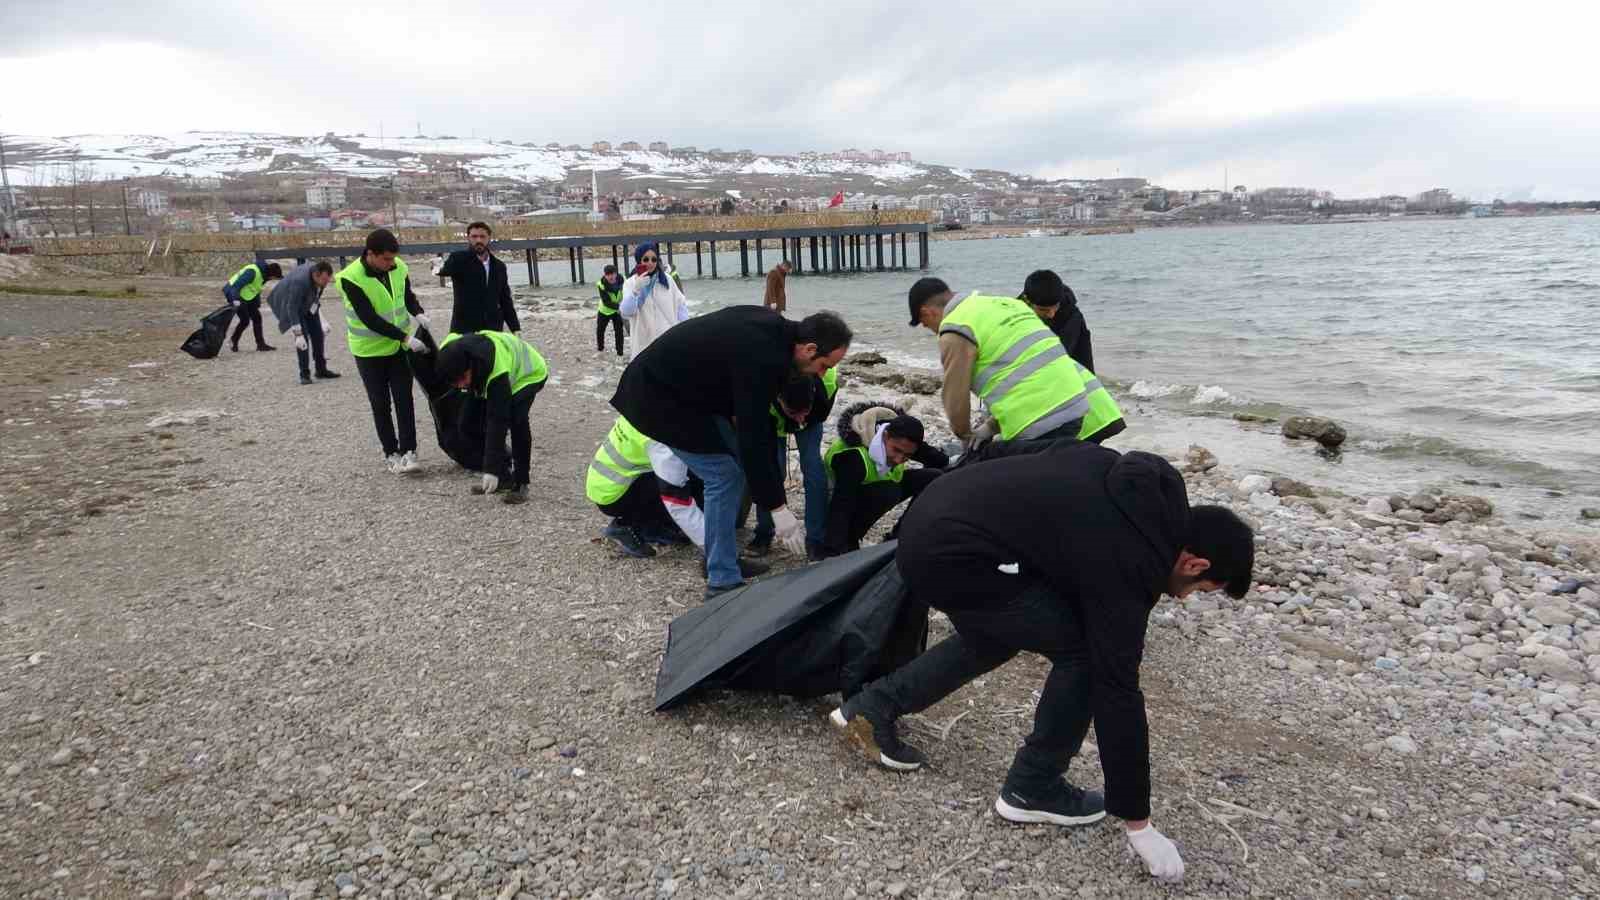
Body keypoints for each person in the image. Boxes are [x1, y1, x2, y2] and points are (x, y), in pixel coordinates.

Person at [829, 440, 1255, 883]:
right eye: (1199, 589)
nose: (1185, 598)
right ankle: (1034, 787)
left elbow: (1032, 451)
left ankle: (871, 708)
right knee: (1087, 656)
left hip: (936, 514)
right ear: (1193, 562)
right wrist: (1138, 822)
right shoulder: (1131, 558)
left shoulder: (1136, 485)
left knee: (1001, 628)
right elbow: (1118, 689)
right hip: (952, 552)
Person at [611, 307, 852, 600]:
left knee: (736, 466)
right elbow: (754, 435)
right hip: (657, 397)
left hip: (693, 394)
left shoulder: (778, 337)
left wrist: (773, 498)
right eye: (825, 365)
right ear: (809, 349)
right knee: (724, 476)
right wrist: (778, 509)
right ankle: (721, 579)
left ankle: (721, 559)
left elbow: (751, 428)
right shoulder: (764, 356)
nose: (823, 374)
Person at [907, 277, 1122, 449]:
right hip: (1077, 407)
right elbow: (1023, 377)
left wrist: (966, 436)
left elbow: (955, 394)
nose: (931, 330)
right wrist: (990, 428)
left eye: (926, 324)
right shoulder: (1005, 303)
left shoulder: (955, 327)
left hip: (1038, 420)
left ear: (928, 312)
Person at [336, 228, 431, 474]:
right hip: (369, 352)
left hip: (398, 349)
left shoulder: (398, 266)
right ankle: (391, 452)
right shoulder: (350, 278)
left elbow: (406, 296)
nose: (391, 264)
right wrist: (406, 338)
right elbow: (369, 318)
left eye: (393, 258)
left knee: (404, 400)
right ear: (371, 254)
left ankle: (410, 451)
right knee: (380, 404)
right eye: (386, 259)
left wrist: (418, 312)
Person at [435, 330, 549, 505]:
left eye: (462, 379)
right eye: (455, 382)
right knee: (467, 424)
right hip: (489, 373)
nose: (461, 385)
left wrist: (490, 469)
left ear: (470, 366)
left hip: (528, 374)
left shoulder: (496, 374)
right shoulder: (450, 351)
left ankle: (521, 482)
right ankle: (504, 476)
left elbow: (497, 421)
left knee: (517, 422)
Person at [819, 403, 948, 557]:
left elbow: (936, 459)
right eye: (897, 451)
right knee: (890, 491)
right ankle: (850, 539)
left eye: (907, 455)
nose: (899, 459)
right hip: (838, 501)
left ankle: (897, 538)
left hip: (873, 491)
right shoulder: (853, 457)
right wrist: (832, 553)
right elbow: (841, 506)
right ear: (885, 436)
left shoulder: (900, 441)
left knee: (934, 478)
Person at [585, 414, 709, 558]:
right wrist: (715, 548)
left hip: (603, 484)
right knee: (686, 480)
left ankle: (651, 527)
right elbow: (677, 500)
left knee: (680, 473)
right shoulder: (660, 438)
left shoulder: (641, 407)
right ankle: (625, 525)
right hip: (614, 494)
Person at [746, 369, 838, 559]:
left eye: (804, 411)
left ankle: (816, 540)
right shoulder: (762, 388)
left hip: (813, 416)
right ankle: (764, 532)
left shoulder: (826, 380)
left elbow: (817, 414)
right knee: (772, 470)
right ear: (779, 397)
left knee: (812, 467)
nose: (800, 419)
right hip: (771, 418)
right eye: (794, 412)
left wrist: (801, 415)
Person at [437, 221, 520, 334]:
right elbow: (441, 271)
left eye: (482, 236)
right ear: (468, 238)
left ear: (489, 238)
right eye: (474, 236)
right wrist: (435, 266)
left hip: (493, 329)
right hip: (464, 329)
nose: (478, 240)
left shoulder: (499, 266)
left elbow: (505, 300)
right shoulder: (458, 259)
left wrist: (515, 328)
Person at [266, 260, 340, 385]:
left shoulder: (321, 280)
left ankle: (321, 370)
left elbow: (316, 297)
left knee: (318, 334)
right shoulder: (299, 282)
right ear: (316, 274)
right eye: (324, 280)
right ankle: (304, 374)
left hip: (307, 303)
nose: (326, 284)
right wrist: (298, 334)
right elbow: (292, 308)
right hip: (291, 304)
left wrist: (322, 320)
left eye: (328, 280)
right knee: (303, 341)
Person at [619, 241, 689, 359]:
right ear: (639, 260)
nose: (650, 263)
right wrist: (636, 290)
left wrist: (685, 331)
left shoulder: (667, 280)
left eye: (654, 259)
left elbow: (680, 305)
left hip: (667, 340)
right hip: (642, 343)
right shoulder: (631, 283)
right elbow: (626, 312)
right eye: (646, 259)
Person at [1020, 268, 1094, 373]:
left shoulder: (1071, 316)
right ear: (1027, 301)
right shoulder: (1016, 311)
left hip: (1070, 357)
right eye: (1043, 310)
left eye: (1055, 307)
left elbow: (1059, 357)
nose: (1051, 314)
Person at [222, 261, 283, 352]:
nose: (273, 279)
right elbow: (236, 286)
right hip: (233, 293)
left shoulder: (264, 275)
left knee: (257, 318)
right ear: (271, 274)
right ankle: (233, 340)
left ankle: (261, 345)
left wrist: (256, 304)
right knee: (245, 320)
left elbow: (255, 287)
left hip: (247, 295)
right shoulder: (252, 272)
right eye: (273, 278)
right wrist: (235, 299)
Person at [595, 264, 625, 356]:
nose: (611, 277)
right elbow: (606, 301)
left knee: (619, 331)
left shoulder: (623, 280)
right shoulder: (601, 285)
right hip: (605, 310)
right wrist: (619, 307)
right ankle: (600, 350)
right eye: (608, 275)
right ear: (605, 275)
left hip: (617, 311)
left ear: (616, 274)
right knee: (600, 330)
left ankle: (620, 354)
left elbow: (627, 294)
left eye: (612, 274)